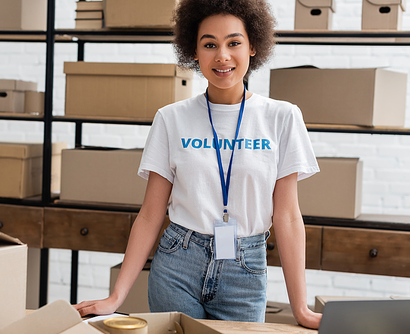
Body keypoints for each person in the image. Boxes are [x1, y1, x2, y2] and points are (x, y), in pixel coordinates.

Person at [75, 0, 322, 329]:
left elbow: (288, 216)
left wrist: (301, 309)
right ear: (193, 51)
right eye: (210, 44)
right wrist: (116, 296)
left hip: (245, 270)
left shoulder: (282, 117)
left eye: (234, 43)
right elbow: (151, 214)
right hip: (178, 263)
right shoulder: (170, 119)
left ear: (253, 48)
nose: (222, 56)